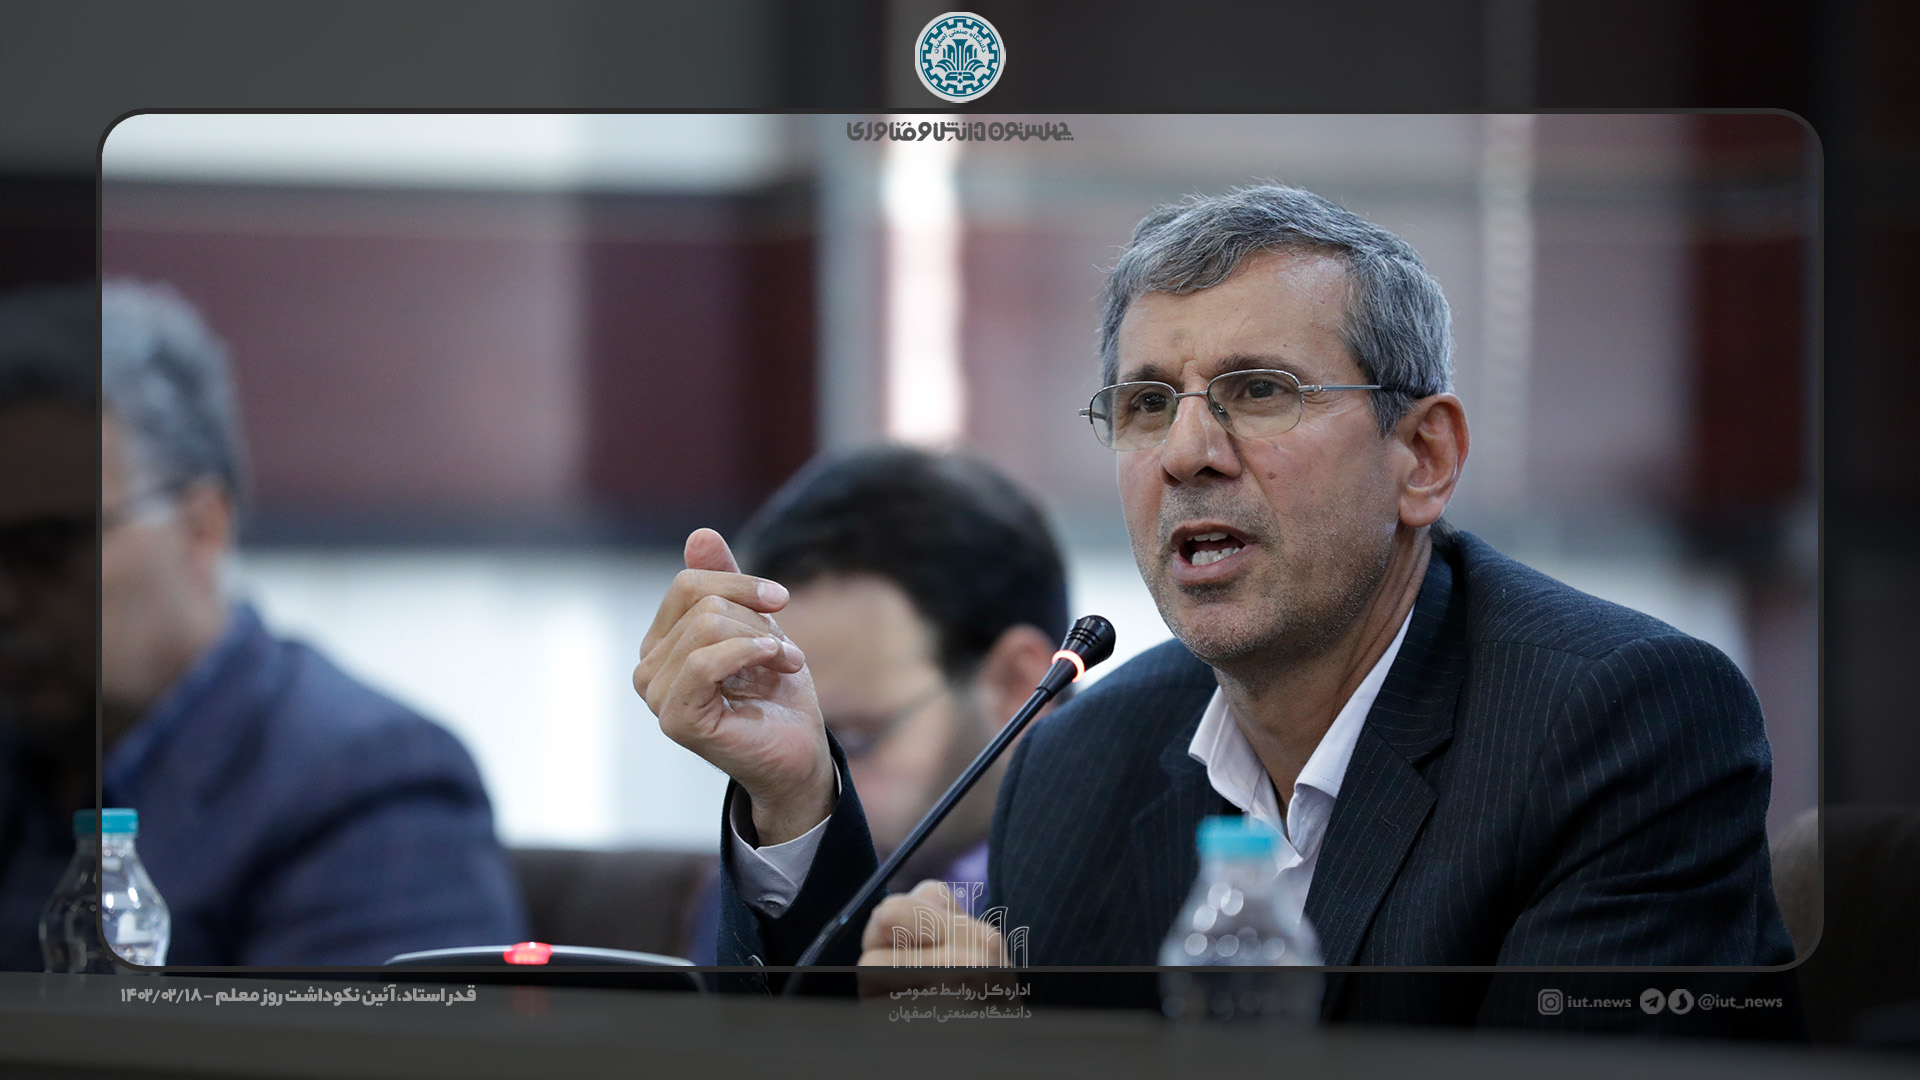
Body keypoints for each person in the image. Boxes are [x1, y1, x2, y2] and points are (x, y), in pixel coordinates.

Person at [633, 185, 1794, 1022]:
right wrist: (797, 797)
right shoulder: (1079, 765)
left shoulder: (1621, 723)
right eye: (1145, 404)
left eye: (1259, 390)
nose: (1187, 451)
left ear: (1423, 457)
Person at [1, 280, 528, 968]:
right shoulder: (26, 758)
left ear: (202, 529)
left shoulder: (365, 786)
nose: (6, 599)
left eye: (47, 547)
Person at [680, 446, 1069, 965]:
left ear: (1016, 684)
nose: (808, 773)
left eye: (855, 739)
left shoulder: (1147, 889)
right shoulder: (759, 880)